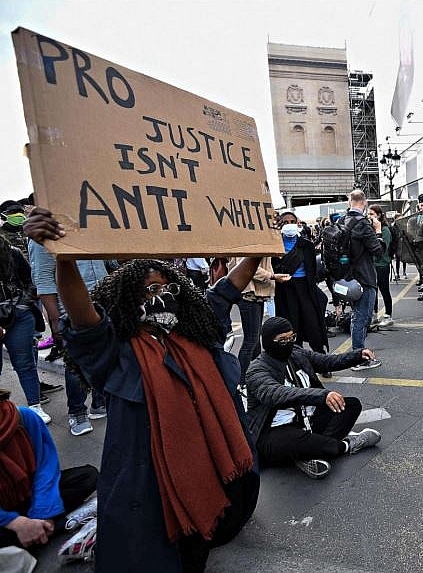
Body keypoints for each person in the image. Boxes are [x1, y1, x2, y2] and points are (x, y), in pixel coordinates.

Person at [24, 207, 262, 573]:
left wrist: (260, 244)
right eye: (151, 290)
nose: (163, 296)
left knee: (198, 546)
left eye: (169, 289)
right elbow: (85, 319)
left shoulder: (193, 332)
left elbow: (227, 289)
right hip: (150, 478)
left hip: (209, 463)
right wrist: (65, 258)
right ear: (129, 300)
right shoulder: (117, 350)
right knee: (156, 550)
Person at [245, 317, 381, 479]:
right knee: (293, 440)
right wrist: (322, 395)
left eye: (291, 337)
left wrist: (358, 356)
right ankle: (347, 445)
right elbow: (276, 393)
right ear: (268, 342)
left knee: (351, 406)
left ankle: (309, 452)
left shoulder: (296, 353)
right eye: (282, 340)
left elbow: (327, 362)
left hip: (308, 420)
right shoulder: (256, 370)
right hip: (275, 431)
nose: (288, 343)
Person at [28, 240, 109, 436]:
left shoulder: (89, 227)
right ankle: (77, 412)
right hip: (70, 309)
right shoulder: (44, 236)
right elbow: (44, 279)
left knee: (104, 357)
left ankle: (99, 404)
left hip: (102, 305)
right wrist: (55, 321)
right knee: (75, 363)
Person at [0, 388, 98, 550]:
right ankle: (54, 526)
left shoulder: (22, 416)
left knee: (87, 476)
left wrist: (42, 512)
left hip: (32, 495)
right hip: (4, 515)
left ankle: (36, 530)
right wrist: (15, 522)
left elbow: (45, 466)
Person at [0, 235, 50, 424]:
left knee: (25, 362)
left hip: (18, 316)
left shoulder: (12, 252)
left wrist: (21, 306)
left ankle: (35, 406)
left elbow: (31, 283)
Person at [273, 211, 329, 356]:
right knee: (291, 325)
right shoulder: (274, 246)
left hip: (305, 288)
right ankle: (296, 360)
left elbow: (312, 271)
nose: (290, 225)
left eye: (292, 221)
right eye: (286, 222)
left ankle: (321, 358)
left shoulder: (306, 245)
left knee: (313, 324)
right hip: (285, 290)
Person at [343, 190, 385, 371]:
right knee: (361, 318)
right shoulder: (363, 224)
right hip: (364, 277)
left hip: (348, 277)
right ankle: (359, 357)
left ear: (350, 202)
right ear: (365, 202)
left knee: (357, 316)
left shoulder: (342, 221)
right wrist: (378, 231)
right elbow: (378, 251)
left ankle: (358, 353)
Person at [227, 255, 275, 383]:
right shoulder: (246, 242)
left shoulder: (256, 239)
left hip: (257, 293)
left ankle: (257, 374)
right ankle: (241, 381)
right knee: (251, 341)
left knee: (255, 340)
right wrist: (272, 276)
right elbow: (247, 268)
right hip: (248, 295)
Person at [368, 205, 394, 328]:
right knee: (373, 291)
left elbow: (383, 249)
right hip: (372, 265)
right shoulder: (370, 229)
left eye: (372, 214)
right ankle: (374, 315)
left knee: (384, 290)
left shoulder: (385, 230)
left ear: (378, 215)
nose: (369, 217)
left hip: (382, 265)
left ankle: (388, 315)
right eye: (368, 214)